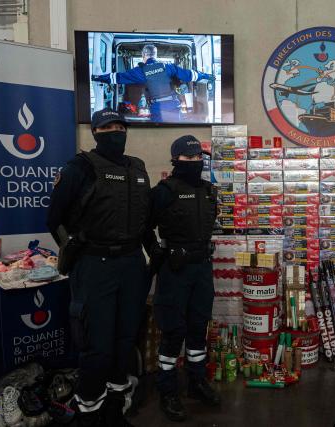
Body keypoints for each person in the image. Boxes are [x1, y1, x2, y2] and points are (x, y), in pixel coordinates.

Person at [47, 108, 151, 427]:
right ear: (95, 132)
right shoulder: (79, 167)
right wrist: (74, 249)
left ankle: (115, 409)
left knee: (125, 341)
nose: (116, 131)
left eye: (120, 125)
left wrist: (153, 255)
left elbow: (144, 217)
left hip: (132, 265)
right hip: (95, 265)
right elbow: (55, 221)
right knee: (98, 346)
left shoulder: (138, 167)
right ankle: (89, 413)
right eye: (108, 127)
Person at [149, 135, 219, 422]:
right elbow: (144, 227)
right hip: (174, 271)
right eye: (187, 158)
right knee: (173, 331)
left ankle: (196, 382)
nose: (193, 163)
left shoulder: (209, 190)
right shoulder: (164, 191)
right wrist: (157, 253)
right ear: (175, 159)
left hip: (202, 268)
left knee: (198, 327)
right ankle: (167, 390)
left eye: (197, 158)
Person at [91, 44, 214, 122]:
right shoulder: (168, 67)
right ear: (155, 55)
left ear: (144, 55)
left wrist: (97, 77)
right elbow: (191, 75)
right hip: (174, 104)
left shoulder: (141, 71)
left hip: (158, 108)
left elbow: (116, 77)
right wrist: (208, 76)